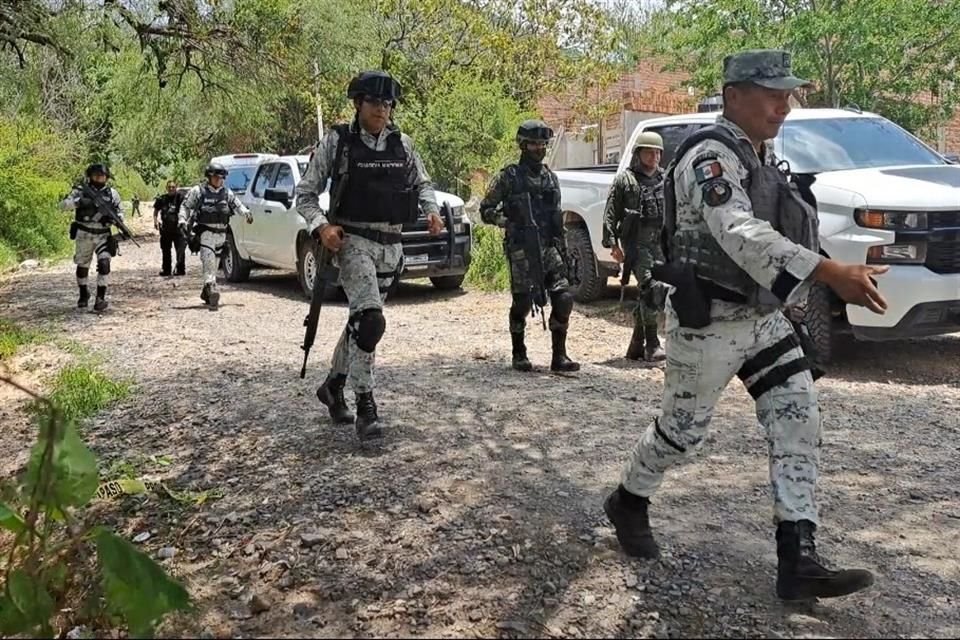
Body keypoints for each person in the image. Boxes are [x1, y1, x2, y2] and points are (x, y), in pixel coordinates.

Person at [602, 49, 889, 601]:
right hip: (707, 322)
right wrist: (828, 273)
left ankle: (797, 559)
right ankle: (628, 500)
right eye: (772, 94)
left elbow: (782, 225)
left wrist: (820, 270)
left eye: (788, 95)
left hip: (760, 319)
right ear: (734, 96)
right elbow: (738, 232)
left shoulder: (758, 154)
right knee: (681, 434)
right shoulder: (709, 158)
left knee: (797, 418)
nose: (784, 105)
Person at [295, 70, 445, 442]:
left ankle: (333, 384)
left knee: (361, 324)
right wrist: (321, 227)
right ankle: (366, 406)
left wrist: (432, 210)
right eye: (375, 102)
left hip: (391, 246)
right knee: (371, 322)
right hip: (353, 241)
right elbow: (306, 194)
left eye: (388, 103)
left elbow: (422, 184)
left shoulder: (403, 145)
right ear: (358, 103)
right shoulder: (338, 142)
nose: (382, 110)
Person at [479, 120, 580, 373]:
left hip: (549, 245)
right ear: (523, 145)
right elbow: (484, 210)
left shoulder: (550, 178)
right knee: (523, 302)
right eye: (534, 143)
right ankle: (519, 351)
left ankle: (559, 356)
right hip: (522, 248)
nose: (539, 148)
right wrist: (508, 221)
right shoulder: (509, 177)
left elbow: (557, 217)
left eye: (543, 144)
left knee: (564, 297)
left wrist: (565, 253)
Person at [602, 131, 668, 362]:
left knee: (655, 291)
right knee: (651, 288)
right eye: (649, 152)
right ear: (639, 153)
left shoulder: (664, 179)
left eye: (658, 152)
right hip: (637, 244)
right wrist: (613, 244)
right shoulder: (626, 181)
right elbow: (610, 214)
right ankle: (652, 344)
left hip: (660, 244)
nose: (655, 156)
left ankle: (635, 344)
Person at [178, 163, 252, 309]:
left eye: (221, 178)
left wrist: (246, 213)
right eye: (216, 177)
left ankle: (207, 291)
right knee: (209, 261)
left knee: (215, 263)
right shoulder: (198, 191)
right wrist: (182, 220)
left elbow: (237, 205)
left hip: (221, 234)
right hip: (206, 233)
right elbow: (186, 206)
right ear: (209, 177)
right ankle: (211, 289)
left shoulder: (227, 193)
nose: (219, 180)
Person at [59, 163, 125, 311]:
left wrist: (114, 219)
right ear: (90, 176)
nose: (99, 178)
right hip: (84, 234)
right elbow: (63, 205)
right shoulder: (80, 191)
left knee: (104, 264)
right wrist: (79, 202)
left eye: (102, 176)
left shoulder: (112, 193)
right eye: (96, 175)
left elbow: (120, 212)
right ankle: (83, 293)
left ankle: (100, 298)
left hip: (103, 234)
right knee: (82, 266)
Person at [154, 180, 187, 276]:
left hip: (178, 229)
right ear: (166, 188)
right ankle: (166, 270)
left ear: (176, 187)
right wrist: (155, 221)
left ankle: (180, 269)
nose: (171, 189)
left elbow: (187, 209)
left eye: (173, 187)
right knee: (165, 250)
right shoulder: (162, 199)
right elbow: (156, 210)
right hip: (166, 230)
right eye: (169, 187)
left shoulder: (181, 198)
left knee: (180, 250)